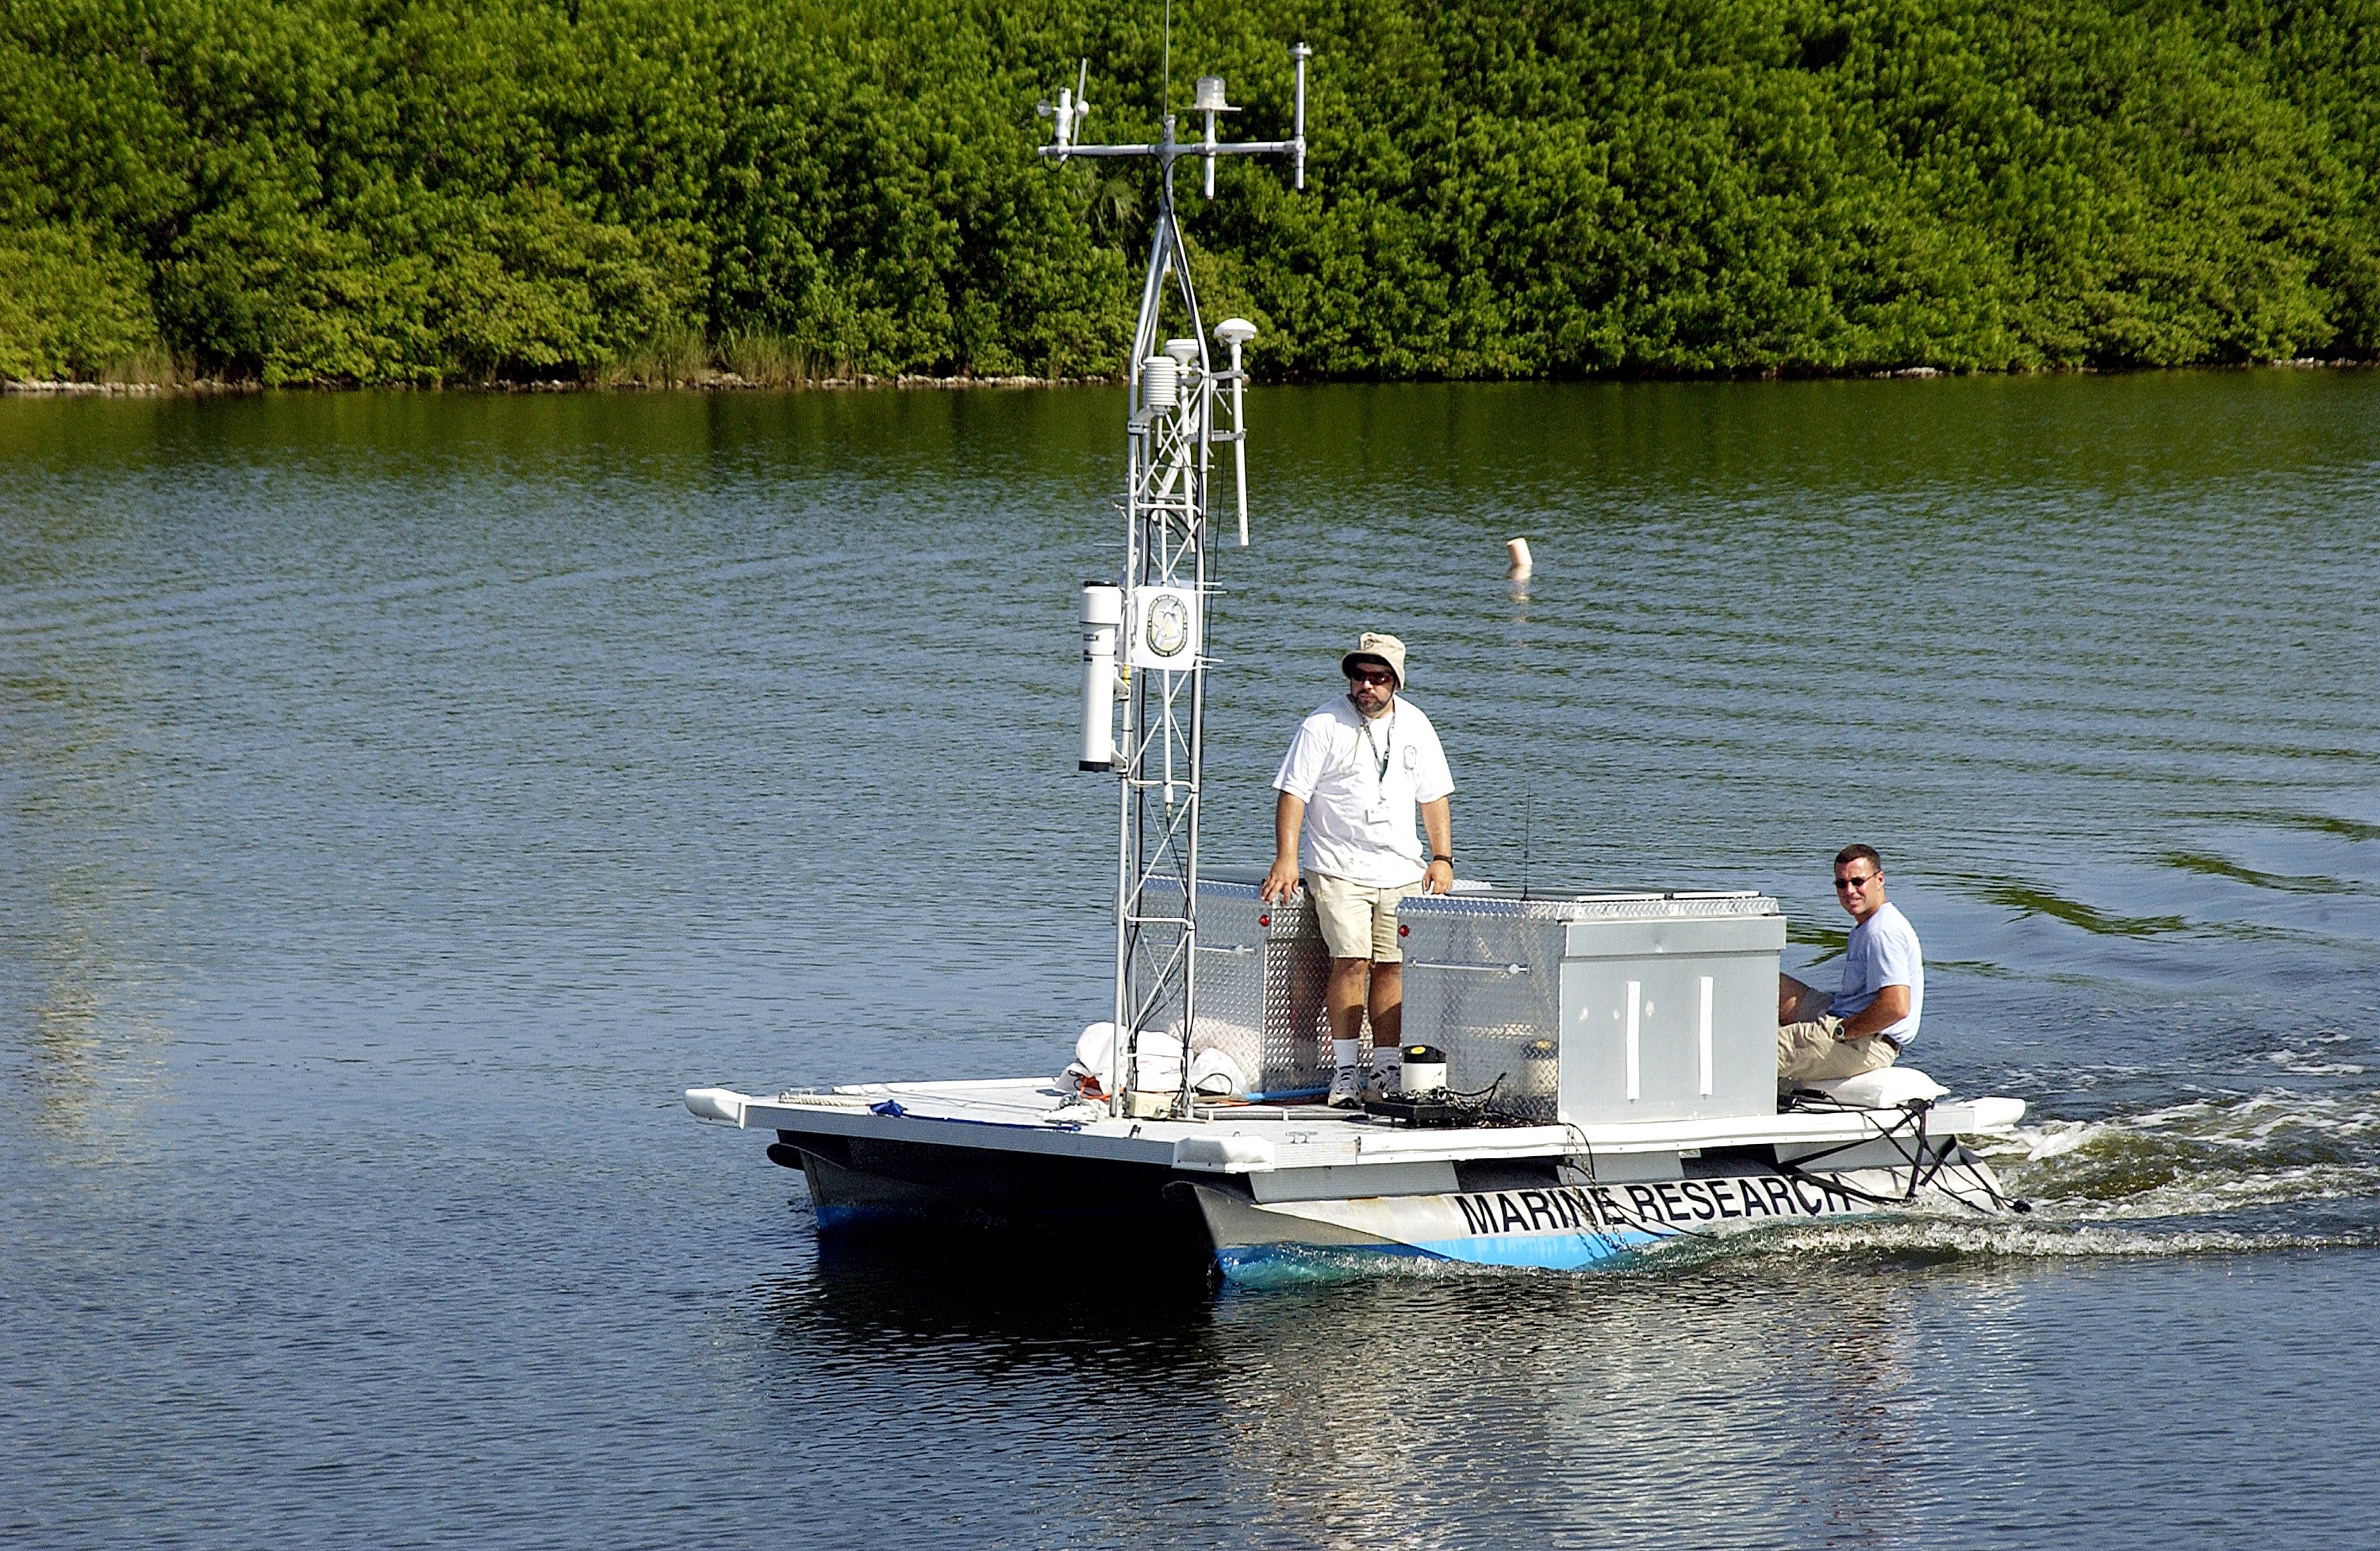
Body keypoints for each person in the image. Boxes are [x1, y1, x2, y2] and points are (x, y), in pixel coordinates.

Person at [1260, 633, 1455, 1107]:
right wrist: (1286, 857)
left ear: (1396, 682)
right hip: (1338, 867)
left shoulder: (1417, 726)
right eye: (1359, 676)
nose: (1366, 686)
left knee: (1391, 966)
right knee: (1350, 960)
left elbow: (1433, 797)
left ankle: (1386, 1067)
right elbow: (1293, 794)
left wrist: (1442, 858)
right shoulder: (1322, 724)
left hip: (1400, 868)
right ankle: (1346, 1071)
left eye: (1378, 678)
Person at [1775, 843, 1924, 1096]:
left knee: (1752, 1049)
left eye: (1858, 881)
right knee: (1766, 983)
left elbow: (1896, 1006)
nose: (1850, 891)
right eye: (1841, 884)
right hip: (1841, 1013)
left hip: (1865, 1042)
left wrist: (1843, 1031)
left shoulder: (1883, 932)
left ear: (1880, 880)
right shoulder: (1867, 925)